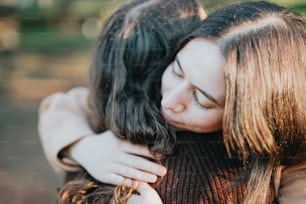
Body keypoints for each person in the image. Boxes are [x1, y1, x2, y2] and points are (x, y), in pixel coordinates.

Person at [39, 0, 306, 203]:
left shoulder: (287, 172)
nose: (168, 101)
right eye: (176, 69)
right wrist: (84, 146)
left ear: (250, 116)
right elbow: (65, 104)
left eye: (202, 99)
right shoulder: (132, 103)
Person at [40, 0, 206, 203]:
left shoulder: (106, 118)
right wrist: (84, 146)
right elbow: (59, 105)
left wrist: (81, 146)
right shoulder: (209, 168)